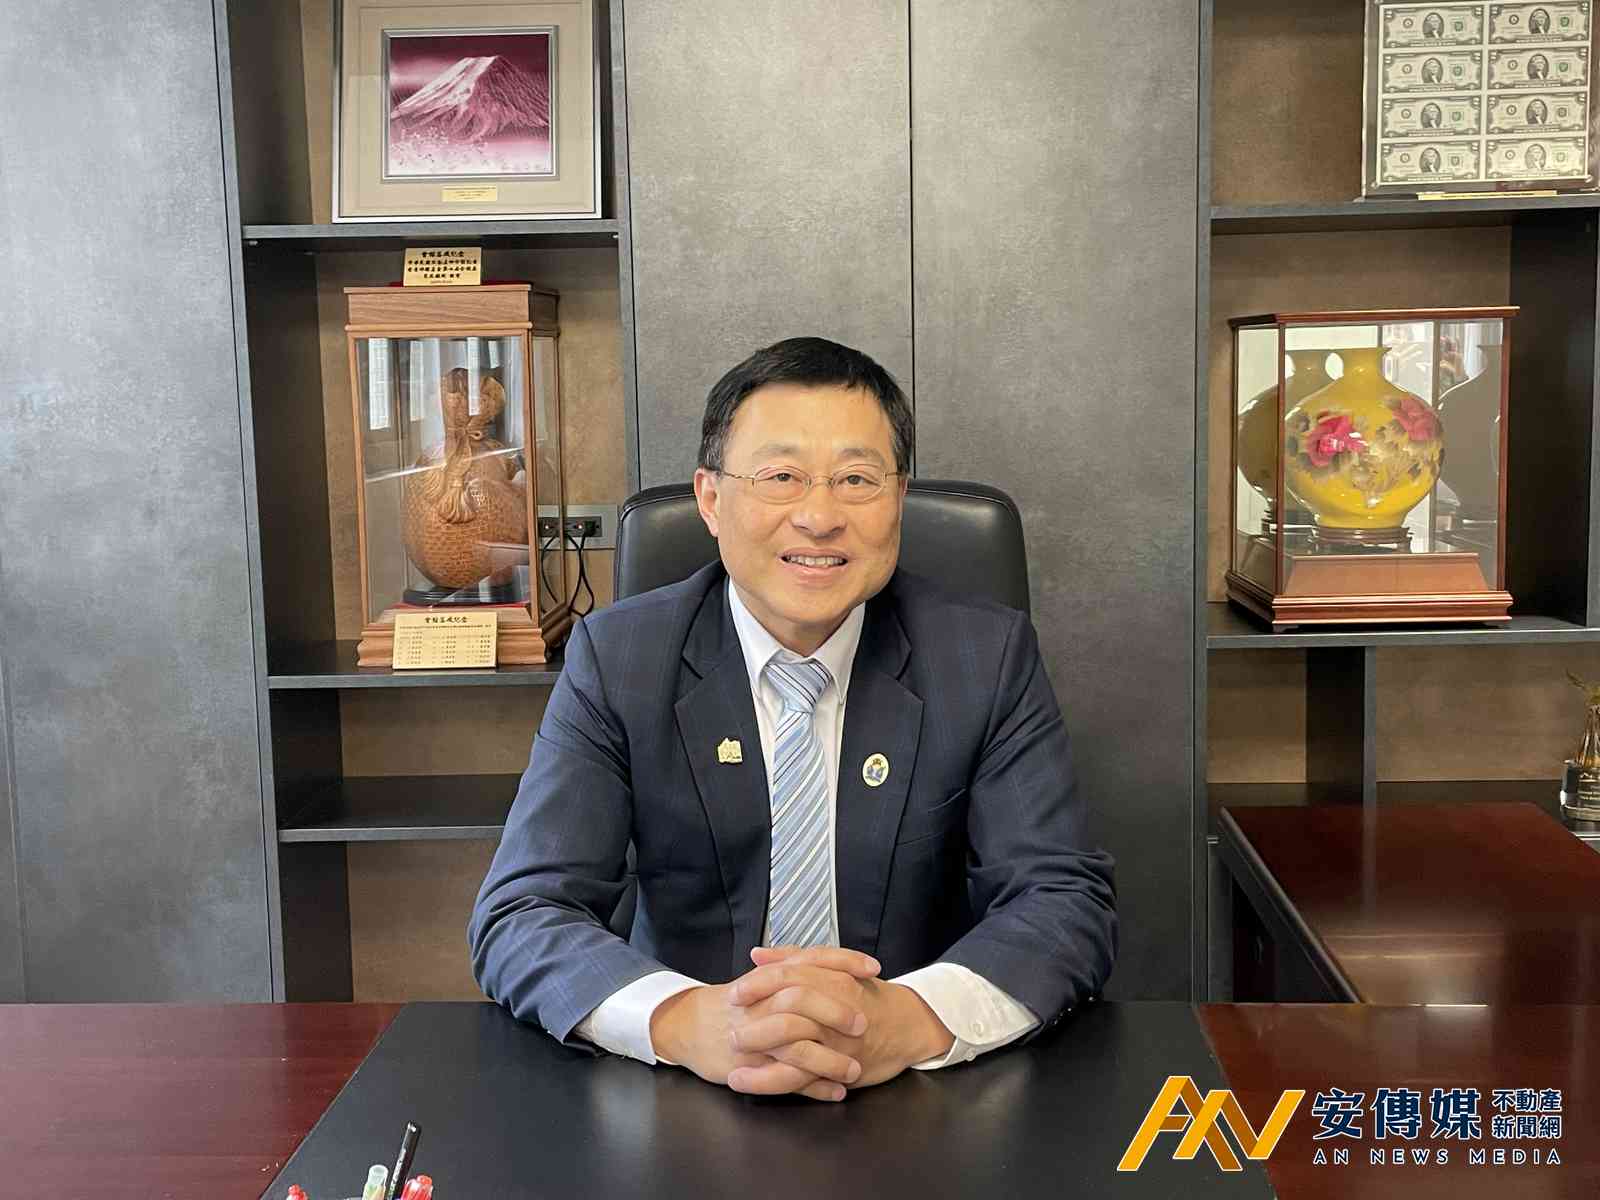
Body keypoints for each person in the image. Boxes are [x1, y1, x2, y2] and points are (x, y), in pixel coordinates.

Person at [469, 336, 1117, 1102]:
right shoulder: (619, 658)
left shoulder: (985, 656)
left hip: (920, 1088)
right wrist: (686, 1022)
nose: (818, 516)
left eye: (856, 480)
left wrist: (907, 1021)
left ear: (898, 500)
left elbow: (1062, 901)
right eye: (781, 477)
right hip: (684, 1087)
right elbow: (522, 911)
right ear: (711, 499)